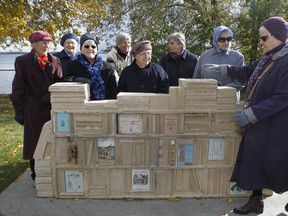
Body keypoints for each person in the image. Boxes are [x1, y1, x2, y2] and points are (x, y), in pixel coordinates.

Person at [203, 16, 288, 214]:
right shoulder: (270, 57)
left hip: (277, 124)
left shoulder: (286, 61)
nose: (261, 42)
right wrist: (223, 70)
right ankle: (255, 201)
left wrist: (252, 114)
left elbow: (283, 97)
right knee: (254, 160)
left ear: (277, 37)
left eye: (264, 38)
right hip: (260, 122)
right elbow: (248, 71)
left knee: (279, 163)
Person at [10, 30, 62, 181]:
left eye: (48, 42)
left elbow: (60, 82)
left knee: (54, 139)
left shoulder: (55, 60)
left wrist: (54, 95)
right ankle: (36, 174)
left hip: (53, 108)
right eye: (43, 42)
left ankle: (53, 171)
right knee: (36, 142)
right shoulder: (23, 61)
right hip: (34, 109)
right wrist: (19, 110)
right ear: (34, 44)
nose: (46, 45)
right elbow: (18, 87)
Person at [193, 26, 245, 101]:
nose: (226, 42)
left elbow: (240, 82)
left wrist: (220, 90)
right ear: (216, 39)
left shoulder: (238, 57)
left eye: (229, 39)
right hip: (207, 101)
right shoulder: (204, 56)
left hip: (228, 102)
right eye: (222, 39)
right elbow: (196, 80)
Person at [65, 33, 118, 100]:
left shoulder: (108, 67)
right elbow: (65, 80)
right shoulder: (73, 65)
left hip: (103, 106)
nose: (90, 49)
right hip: (81, 105)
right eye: (86, 46)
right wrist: (77, 79)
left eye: (93, 46)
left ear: (97, 49)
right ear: (81, 49)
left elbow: (113, 91)